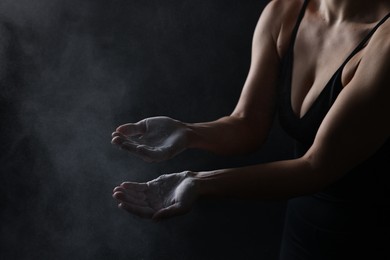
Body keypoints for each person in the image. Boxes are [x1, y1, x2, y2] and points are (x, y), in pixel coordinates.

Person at [111, 0, 390, 258]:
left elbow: (317, 167)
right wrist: (189, 132)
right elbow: (248, 124)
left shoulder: (385, 41)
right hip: (301, 233)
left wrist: (199, 182)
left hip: (366, 237)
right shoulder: (285, 12)